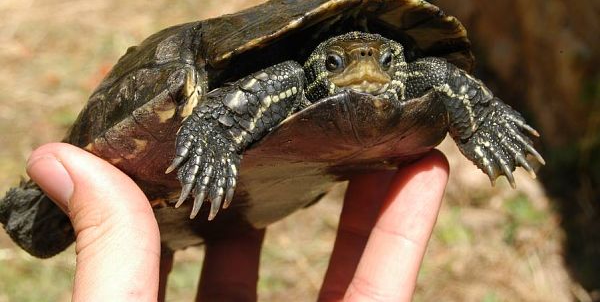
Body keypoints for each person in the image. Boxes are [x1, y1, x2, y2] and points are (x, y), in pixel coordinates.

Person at [26, 142, 449, 301]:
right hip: (197, 177)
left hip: (252, 201)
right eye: (337, 62)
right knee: (37, 224)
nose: (365, 70)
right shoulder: (287, 76)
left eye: (385, 61)